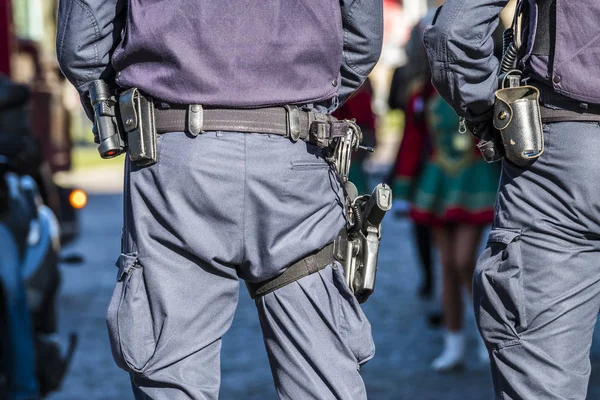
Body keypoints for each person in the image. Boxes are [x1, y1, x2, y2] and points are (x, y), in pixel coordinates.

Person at [56, 0, 383, 399]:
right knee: (324, 381)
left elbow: (84, 42)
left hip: (175, 155)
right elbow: (361, 39)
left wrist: (122, 103)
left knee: (173, 379)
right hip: (296, 153)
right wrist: (299, 98)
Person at [424, 0, 600, 397]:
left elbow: (453, 32)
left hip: (560, 158)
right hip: (560, 160)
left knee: (541, 384)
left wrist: (496, 122)